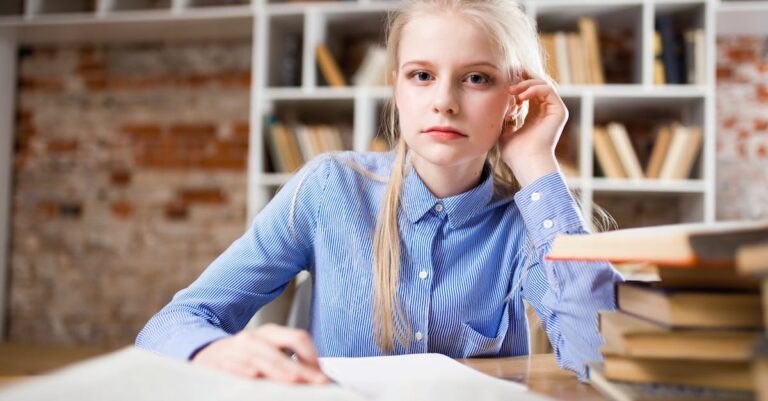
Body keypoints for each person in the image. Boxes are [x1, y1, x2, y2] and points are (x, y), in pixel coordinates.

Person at [136, 0, 623, 386]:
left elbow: (599, 358)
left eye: (477, 78)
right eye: (422, 75)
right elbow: (173, 323)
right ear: (397, 89)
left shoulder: (525, 222)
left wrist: (536, 162)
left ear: (514, 98)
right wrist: (215, 348)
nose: (445, 102)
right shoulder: (329, 189)